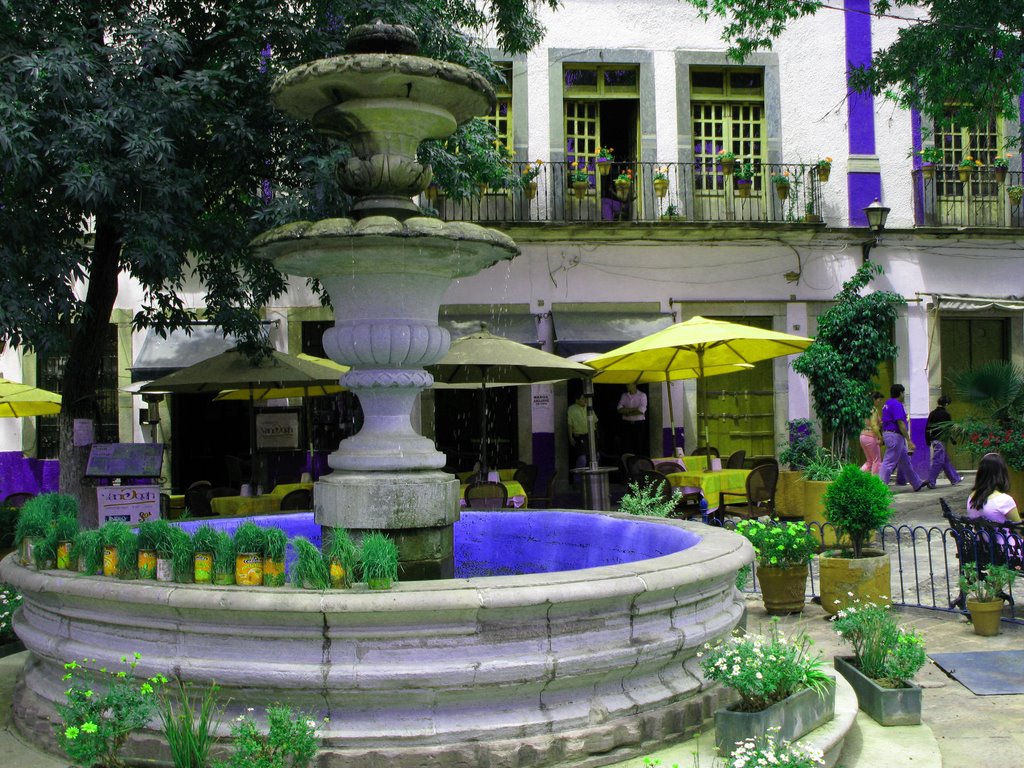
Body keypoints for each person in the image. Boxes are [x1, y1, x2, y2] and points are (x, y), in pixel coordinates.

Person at [878, 383, 927, 491]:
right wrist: (909, 440)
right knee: (889, 462)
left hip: (889, 434)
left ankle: (917, 483)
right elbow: (900, 423)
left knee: (905, 462)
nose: (904, 395)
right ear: (900, 393)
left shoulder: (887, 403)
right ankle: (880, 487)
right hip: (895, 436)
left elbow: (883, 422)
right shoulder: (897, 405)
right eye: (903, 393)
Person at [967, 452, 1020, 523]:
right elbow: (1019, 529)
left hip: (981, 534)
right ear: (1002, 473)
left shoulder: (971, 498)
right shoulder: (1004, 500)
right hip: (1003, 534)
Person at [925, 395, 962, 489]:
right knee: (938, 461)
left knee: (945, 461)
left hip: (934, 440)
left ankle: (955, 479)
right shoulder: (946, 415)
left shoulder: (932, 413)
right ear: (946, 404)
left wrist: (927, 439)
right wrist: (952, 439)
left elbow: (927, 428)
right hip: (941, 440)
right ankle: (931, 481)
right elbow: (948, 429)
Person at [567, 392, 596, 482]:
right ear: (577, 400)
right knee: (582, 459)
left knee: (595, 457)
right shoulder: (571, 409)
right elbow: (570, 425)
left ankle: (592, 479)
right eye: (583, 398)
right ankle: (577, 480)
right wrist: (570, 437)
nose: (585, 400)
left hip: (590, 435)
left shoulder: (589, 407)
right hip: (580, 436)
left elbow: (595, 421)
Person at [617, 384, 647, 455]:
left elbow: (641, 410)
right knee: (626, 445)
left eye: (628, 385)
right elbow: (619, 408)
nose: (626, 386)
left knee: (638, 445)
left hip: (638, 424)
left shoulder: (642, 395)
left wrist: (627, 412)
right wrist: (634, 409)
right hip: (626, 424)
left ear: (634, 385)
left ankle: (638, 461)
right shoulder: (624, 395)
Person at [860, 391, 884, 475]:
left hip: (863, 436)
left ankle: (858, 476)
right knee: (876, 461)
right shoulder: (874, 410)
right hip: (871, 437)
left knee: (869, 461)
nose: (880, 402)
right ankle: (875, 482)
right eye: (879, 400)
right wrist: (880, 437)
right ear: (874, 399)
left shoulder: (865, 409)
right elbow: (874, 425)